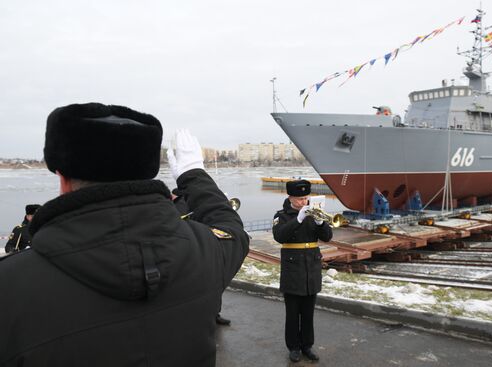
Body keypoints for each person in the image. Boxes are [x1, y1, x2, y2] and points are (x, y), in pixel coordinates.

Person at [0, 103, 249, 366]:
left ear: (61, 178)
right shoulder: (203, 252)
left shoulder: (10, 287)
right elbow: (231, 227)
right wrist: (194, 174)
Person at [272, 180, 333, 363]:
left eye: (305, 198)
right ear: (290, 197)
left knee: (308, 312)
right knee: (292, 313)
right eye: (299, 199)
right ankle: (294, 347)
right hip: (293, 269)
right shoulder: (282, 215)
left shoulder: (314, 212)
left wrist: (321, 222)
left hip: (311, 268)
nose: (303, 202)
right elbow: (280, 236)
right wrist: (298, 218)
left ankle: (307, 345)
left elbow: (327, 237)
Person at [171, 187, 231, 326]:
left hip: (199, 246)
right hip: (194, 248)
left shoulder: (187, 204)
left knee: (208, 283)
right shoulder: (180, 205)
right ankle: (209, 314)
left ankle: (213, 314)